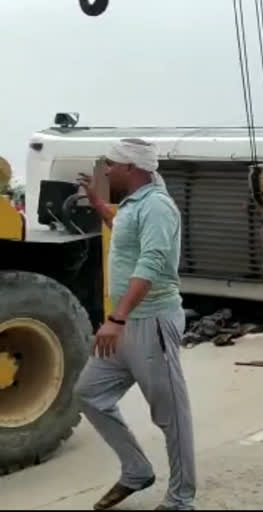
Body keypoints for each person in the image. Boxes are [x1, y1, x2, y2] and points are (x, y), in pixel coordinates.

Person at [74, 138, 196, 511]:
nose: (106, 170)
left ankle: (180, 499)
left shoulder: (158, 206)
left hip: (150, 322)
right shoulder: (134, 205)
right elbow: (126, 234)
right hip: (126, 324)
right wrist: (98, 204)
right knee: (89, 393)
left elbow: (153, 262)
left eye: (111, 164)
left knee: (171, 416)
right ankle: (136, 470)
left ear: (131, 167)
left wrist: (117, 317)